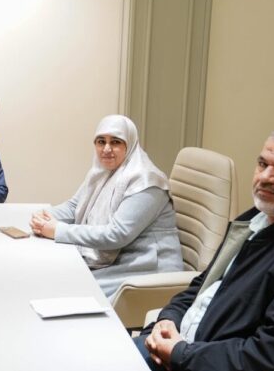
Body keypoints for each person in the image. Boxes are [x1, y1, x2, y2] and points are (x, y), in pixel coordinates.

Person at [136, 127, 274, 371]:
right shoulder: (254, 219)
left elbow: (273, 358)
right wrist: (167, 320)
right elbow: (204, 284)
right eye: (262, 164)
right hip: (182, 353)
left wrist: (180, 354)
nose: (265, 177)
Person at [30, 115, 182, 298]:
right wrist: (42, 216)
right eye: (101, 141)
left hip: (145, 267)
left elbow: (117, 234)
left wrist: (58, 230)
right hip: (119, 259)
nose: (106, 149)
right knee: (53, 275)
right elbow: (74, 206)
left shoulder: (146, 181)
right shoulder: (102, 171)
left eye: (115, 142)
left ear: (130, 144)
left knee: (67, 289)